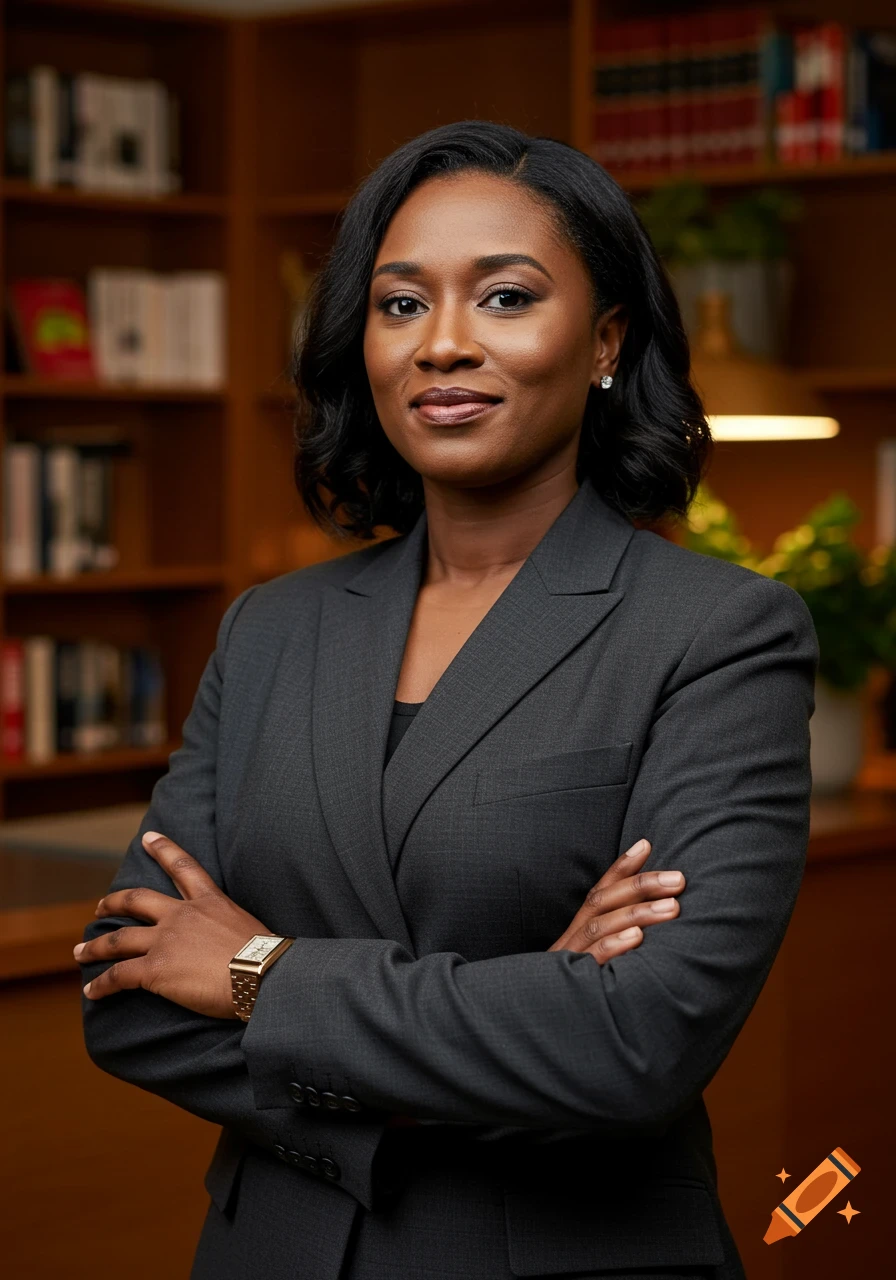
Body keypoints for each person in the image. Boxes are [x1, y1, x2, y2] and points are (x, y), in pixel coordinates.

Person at [76, 121, 818, 1280]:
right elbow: (126, 994)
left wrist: (254, 973)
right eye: (401, 304)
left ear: (605, 340)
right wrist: (526, 1011)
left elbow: (634, 1042)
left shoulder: (714, 632)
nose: (444, 345)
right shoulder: (270, 626)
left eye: (507, 297)